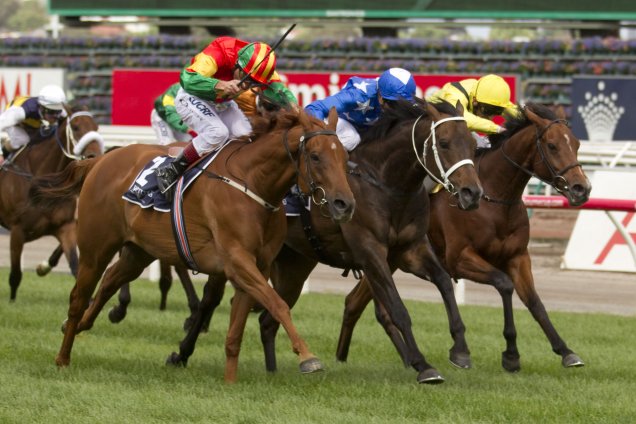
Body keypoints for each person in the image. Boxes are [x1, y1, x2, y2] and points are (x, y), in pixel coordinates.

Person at [154, 36, 297, 194]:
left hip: (222, 103)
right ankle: (171, 170)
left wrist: (297, 111)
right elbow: (187, 78)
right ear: (238, 64)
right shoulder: (220, 50)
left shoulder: (259, 68)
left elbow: (282, 93)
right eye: (246, 79)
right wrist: (219, 84)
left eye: (253, 83)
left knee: (246, 138)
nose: (247, 86)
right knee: (217, 132)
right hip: (190, 96)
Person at [305, 67, 417, 151]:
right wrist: (317, 138)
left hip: (367, 130)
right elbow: (314, 108)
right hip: (344, 124)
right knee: (352, 139)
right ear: (380, 96)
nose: (398, 108)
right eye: (393, 103)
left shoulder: (397, 100)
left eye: (403, 103)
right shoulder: (359, 95)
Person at [426, 74, 517, 148]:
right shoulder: (453, 94)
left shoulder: (484, 95)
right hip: (428, 129)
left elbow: (513, 110)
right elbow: (461, 118)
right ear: (474, 101)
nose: (490, 117)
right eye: (488, 110)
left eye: (497, 111)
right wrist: (497, 129)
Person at [0, 84, 67, 159]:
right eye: (51, 111)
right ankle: (5, 154)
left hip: (31, 122)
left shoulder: (62, 113)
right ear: (41, 107)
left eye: (58, 111)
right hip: (13, 120)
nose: (55, 116)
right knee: (22, 139)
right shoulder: (21, 112)